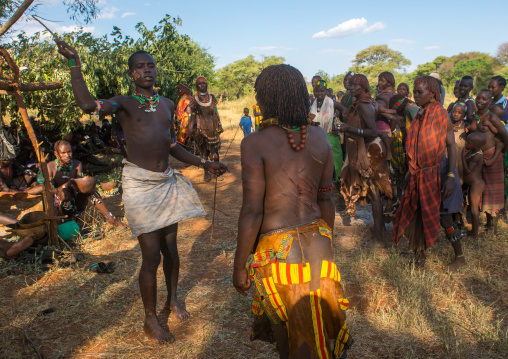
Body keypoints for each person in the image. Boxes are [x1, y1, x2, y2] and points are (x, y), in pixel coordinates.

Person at [56, 41, 228, 344]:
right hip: (139, 185)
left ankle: (173, 299)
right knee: (151, 256)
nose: (147, 70)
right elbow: (87, 105)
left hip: (166, 183)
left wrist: (205, 162)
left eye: (150, 65)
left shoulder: (166, 104)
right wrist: (75, 64)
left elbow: (172, 144)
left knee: (171, 251)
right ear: (132, 74)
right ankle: (150, 320)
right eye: (140, 67)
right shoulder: (123, 102)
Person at [233, 64, 353, 359]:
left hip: (278, 253)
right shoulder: (319, 138)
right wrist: (330, 242)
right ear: (300, 96)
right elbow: (327, 199)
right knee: (317, 333)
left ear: (267, 99)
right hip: (320, 245)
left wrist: (238, 266)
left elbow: (252, 212)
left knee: (290, 343)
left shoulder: (255, 143)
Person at [393, 76, 465, 271]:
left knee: (445, 218)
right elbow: (416, 146)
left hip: (440, 171)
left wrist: (450, 177)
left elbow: (450, 147)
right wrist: (412, 170)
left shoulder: (441, 114)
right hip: (419, 172)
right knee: (418, 212)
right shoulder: (419, 115)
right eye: (414, 92)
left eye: (419, 92)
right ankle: (420, 255)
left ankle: (459, 257)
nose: (415, 95)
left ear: (432, 93)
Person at [338, 74, 392, 243]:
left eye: (355, 85)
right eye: (351, 85)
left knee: (374, 192)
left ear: (364, 88)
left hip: (370, 150)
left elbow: (373, 131)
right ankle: (380, 229)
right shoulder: (360, 103)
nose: (351, 88)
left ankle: (378, 235)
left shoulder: (364, 106)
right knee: (371, 191)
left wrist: (350, 129)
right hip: (364, 148)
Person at [47, 140, 123, 227]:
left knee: (91, 190)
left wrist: (84, 182)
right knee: (64, 193)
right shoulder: (50, 166)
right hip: (59, 204)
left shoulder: (77, 164)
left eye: (69, 152)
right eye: (63, 153)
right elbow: (50, 191)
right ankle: (65, 221)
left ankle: (110, 219)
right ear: (56, 154)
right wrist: (65, 186)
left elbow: (79, 187)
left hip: (75, 202)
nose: (67, 155)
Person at [469, 89, 508, 233]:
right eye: (478, 98)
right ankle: (482, 223)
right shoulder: (474, 116)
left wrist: (501, 153)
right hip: (478, 158)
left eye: (484, 99)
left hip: (492, 157)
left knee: (493, 190)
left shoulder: (491, 118)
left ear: (490, 102)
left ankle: (493, 226)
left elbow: (505, 135)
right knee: (481, 190)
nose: (479, 101)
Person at [187, 76, 224, 182]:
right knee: (203, 154)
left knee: (215, 153)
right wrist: (190, 128)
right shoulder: (194, 99)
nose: (202, 85)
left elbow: (216, 111)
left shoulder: (212, 97)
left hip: (213, 129)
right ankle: (206, 173)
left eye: (204, 83)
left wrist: (219, 124)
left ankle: (218, 172)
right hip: (201, 131)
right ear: (197, 86)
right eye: (200, 84)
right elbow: (192, 115)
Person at [311, 80, 343, 185]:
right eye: (317, 91)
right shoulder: (312, 103)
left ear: (326, 91)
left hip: (330, 134)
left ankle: (338, 180)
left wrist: (338, 124)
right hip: (315, 136)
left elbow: (345, 110)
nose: (319, 93)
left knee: (335, 158)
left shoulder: (332, 102)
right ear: (314, 91)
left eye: (322, 91)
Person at [462, 132, 486, 238]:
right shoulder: (473, 152)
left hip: (476, 184)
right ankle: (473, 231)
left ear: (476, 145)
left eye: (469, 142)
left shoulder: (477, 156)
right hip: (473, 184)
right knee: (472, 207)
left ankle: (475, 234)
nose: (466, 143)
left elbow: (468, 171)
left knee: (474, 209)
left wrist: (462, 157)